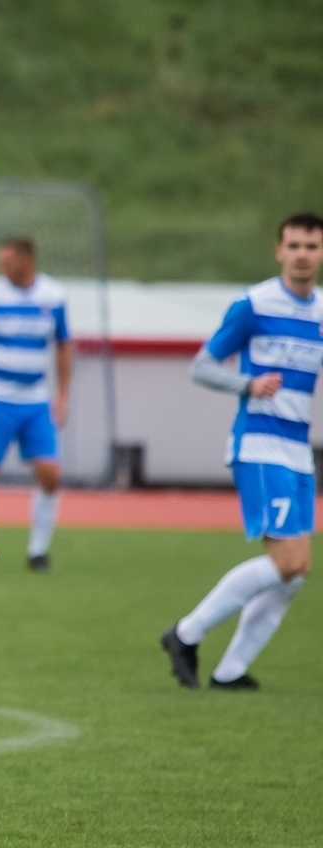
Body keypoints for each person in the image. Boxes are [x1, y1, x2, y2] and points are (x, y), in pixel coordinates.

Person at [160, 212, 323, 690]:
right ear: (279, 251)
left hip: (297, 448)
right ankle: (185, 633)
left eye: (311, 246)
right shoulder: (253, 304)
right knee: (289, 562)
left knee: (294, 575)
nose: (302, 254)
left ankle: (230, 672)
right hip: (258, 443)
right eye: (293, 245)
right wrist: (248, 383)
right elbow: (202, 367)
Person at [0, 237, 73, 571]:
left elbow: (64, 347)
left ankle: (38, 551)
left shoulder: (53, 297)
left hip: (36, 400)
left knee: (50, 473)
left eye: (8, 260)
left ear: (27, 260)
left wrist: (63, 394)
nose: (3, 267)